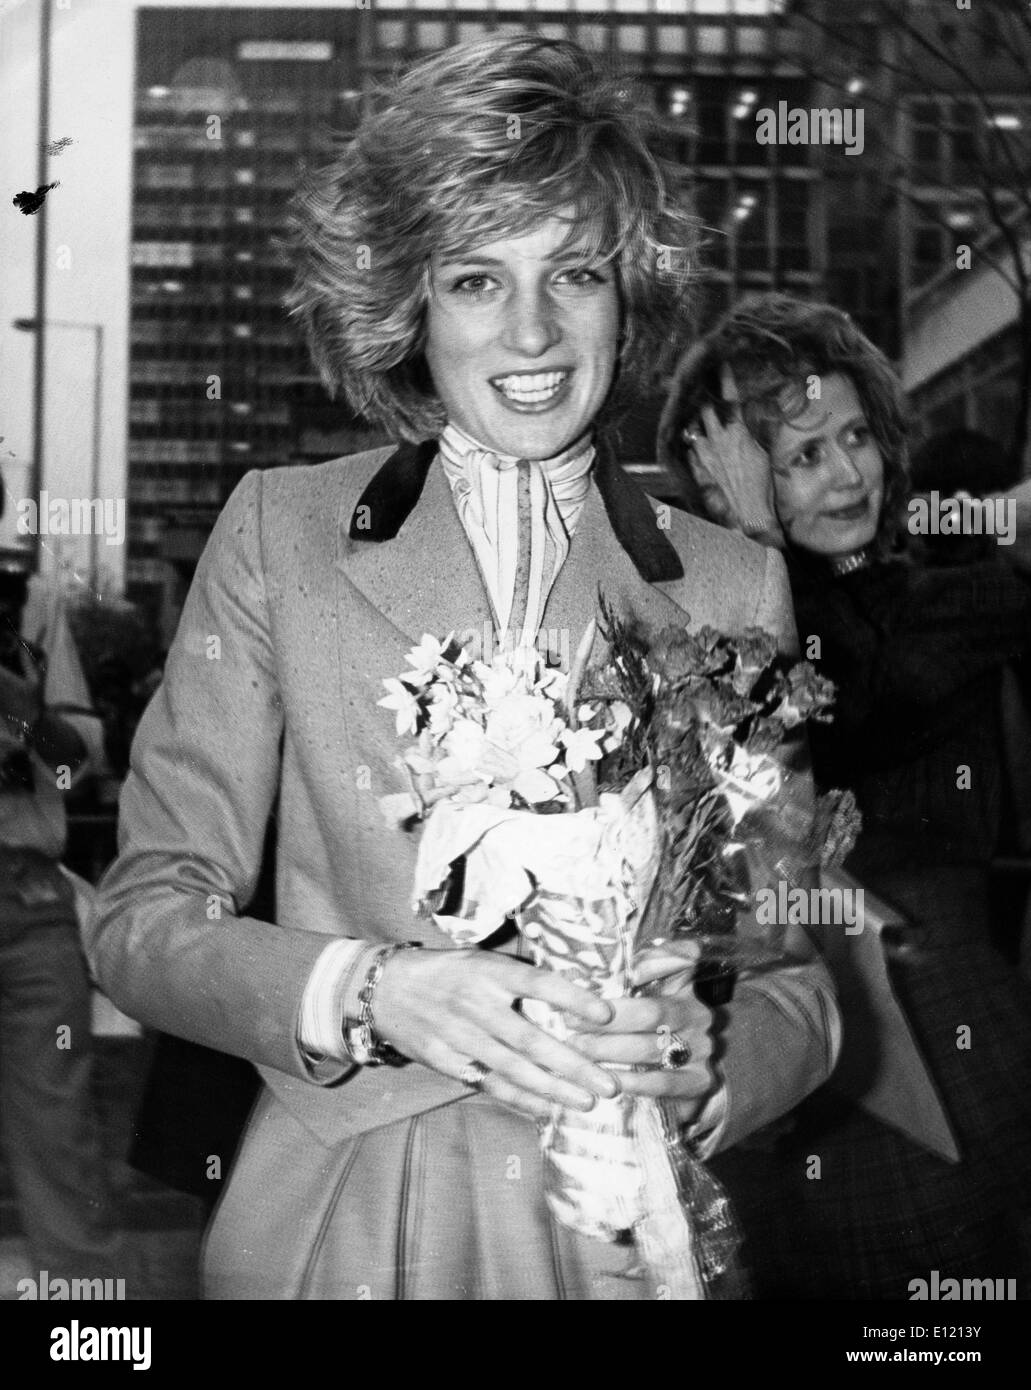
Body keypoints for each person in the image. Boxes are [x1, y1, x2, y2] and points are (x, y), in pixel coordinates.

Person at [86, 37, 840, 1301]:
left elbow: (793, 970)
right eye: (477, 279)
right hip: (348, 1205)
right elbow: (142, 918)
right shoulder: (280, 534)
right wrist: (371, 988)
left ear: (625, 294)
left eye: (575, 273)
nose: (533, 329)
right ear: (408, 307)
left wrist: (716, 1058)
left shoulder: (728, 584)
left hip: (613, 1218)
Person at [657, 291, 1031, 1299]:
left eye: (854, 436)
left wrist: (751, 539)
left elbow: (834, 705)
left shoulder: (946, 596)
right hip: (772, 1043)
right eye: (799, 455)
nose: (845, 474)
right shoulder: (704, 623)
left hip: (929, 1032)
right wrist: (741, 553)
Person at [0, 565, 130, 1290]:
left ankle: (90, 1335)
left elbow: (78, 766)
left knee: (61, 1142)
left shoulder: (29, 602)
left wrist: (24, 716)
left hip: (24, 893)